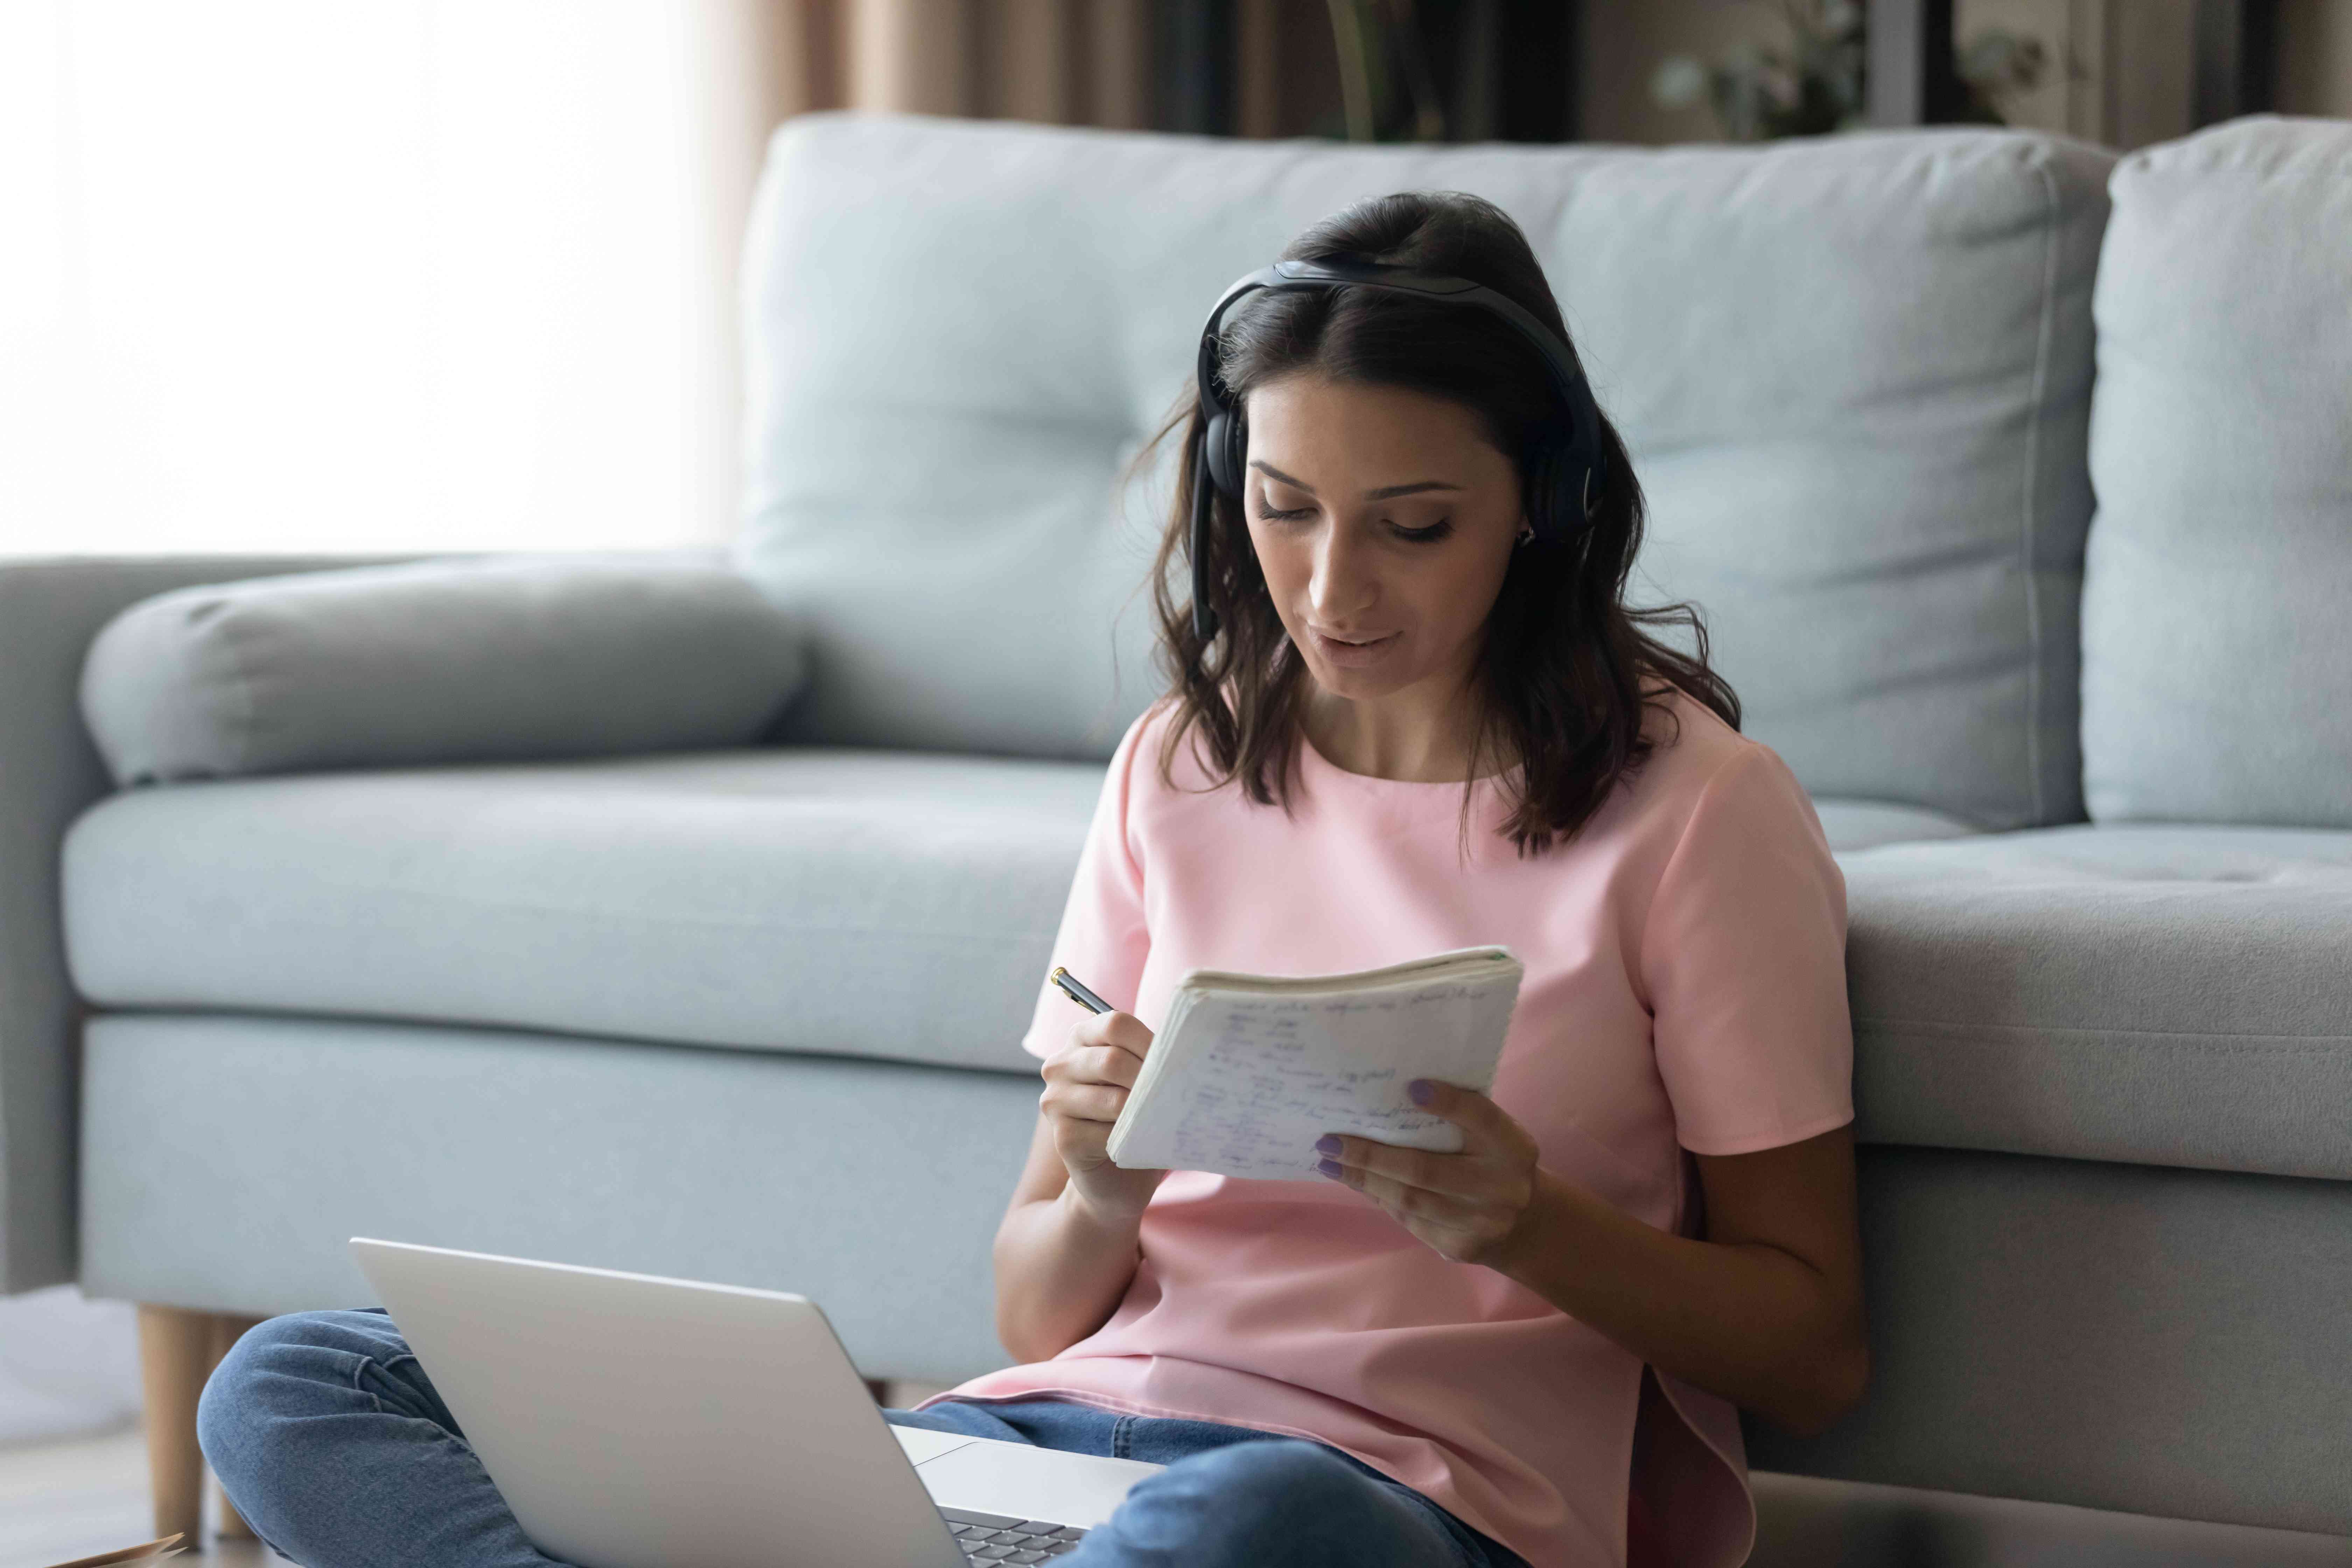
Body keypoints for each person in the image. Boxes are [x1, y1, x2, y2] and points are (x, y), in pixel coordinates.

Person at [199, 191, 1864, 1568]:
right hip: (1045, 1451)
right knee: (298, 1377)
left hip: (1396, 1500)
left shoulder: (1701, 811)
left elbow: (1809, 1342)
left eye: (1412, 525)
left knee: (1249, 1515)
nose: (1333, 586)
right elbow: (1033, 1293)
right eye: (1285, 510)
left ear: (1546, 507)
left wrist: (1533, 1224)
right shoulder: (1183, 766)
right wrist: (1100, 1181)